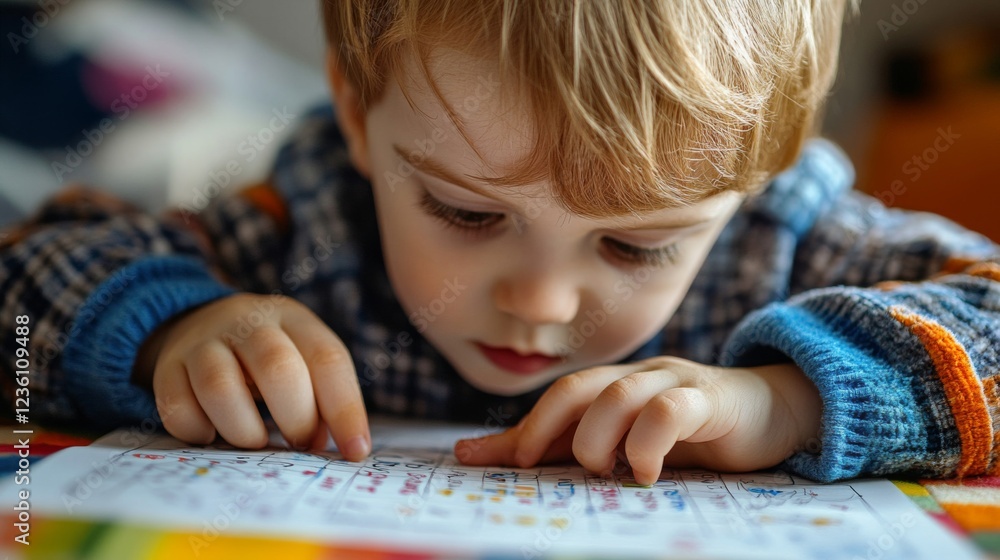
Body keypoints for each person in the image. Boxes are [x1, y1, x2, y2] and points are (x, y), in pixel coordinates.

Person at [2, 0, 998, 485]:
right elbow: (21, 288)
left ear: (752, 179)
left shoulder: (780, 240)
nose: (540, 301)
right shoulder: (303, 233)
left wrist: (787, 396)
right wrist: (170, 325)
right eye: (468, 214)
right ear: (357, 112)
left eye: (637, 245)